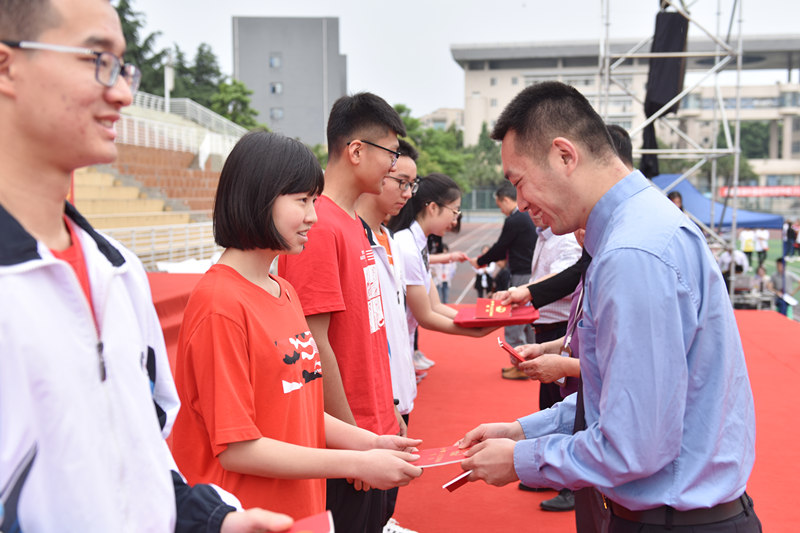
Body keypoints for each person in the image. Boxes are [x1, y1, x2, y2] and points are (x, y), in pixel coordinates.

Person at [0, 1, 294, 531]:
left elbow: (143, 458)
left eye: (123, 66)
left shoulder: (117, 270)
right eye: (97, 59)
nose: (123, 93)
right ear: (7, 66)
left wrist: (214, 522)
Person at [459, 81, 760, 533]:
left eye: (519, 182)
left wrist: (522, 459)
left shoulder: (631, 253)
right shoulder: (639, 231)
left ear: (565, 155)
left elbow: (634, 445)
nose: (520, 203)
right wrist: (522, 431)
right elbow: (614, 398)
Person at [171, 131, 423, 523]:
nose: (313, 216)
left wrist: (369, 443)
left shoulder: (284, 291)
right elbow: (237, 447)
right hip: (246, 515)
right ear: (259, 197)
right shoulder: (219, 304)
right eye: (302, 201)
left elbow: (297, 408)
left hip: (301, 511)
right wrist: (353, 465)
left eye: (314, 201)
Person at [278, 92, 408, 532]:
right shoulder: (320, 228)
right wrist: (354, 447)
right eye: (389, 152)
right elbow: (315, 345)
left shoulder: (352, 223)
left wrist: (388, 415)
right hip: (350, 442)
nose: (394, 166)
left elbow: (368, 334)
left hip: (372, 430)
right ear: (356, 151)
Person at [356, 139, 423, 533]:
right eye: (401, 180)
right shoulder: (350, 236)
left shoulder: (387, 239)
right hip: (375, 396)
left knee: (390, 482)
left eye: (412, 184)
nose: (406, 192)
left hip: (397, 386)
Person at [388, 173, 495, 359]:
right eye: (454, 212)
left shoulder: (417, 242)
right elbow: (425, 316)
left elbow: (435, 305)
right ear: (433, 208)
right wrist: (474, 331)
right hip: (394, 344)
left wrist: (471, 320)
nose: (455, 221)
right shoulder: (406, 245)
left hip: (404, 340)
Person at [469, 181, 537, 349]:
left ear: (506, 200)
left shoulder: (515, 219)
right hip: (529, 272)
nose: (501, 210)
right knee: (527, 321)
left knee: (514, 320)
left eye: (500, 205)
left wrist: (480, 261)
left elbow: (501, 247)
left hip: (521, 274)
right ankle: (529, 358)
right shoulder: (526, 216)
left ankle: (519, 362)